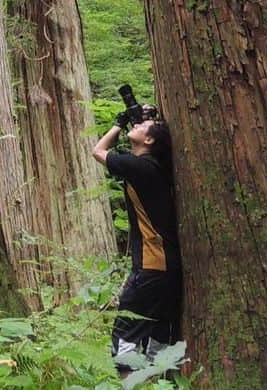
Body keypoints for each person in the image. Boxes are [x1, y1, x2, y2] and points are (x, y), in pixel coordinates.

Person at [93, 112, 182, 375]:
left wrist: (118, 123)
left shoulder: (140, 167)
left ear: (150, 140)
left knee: (125, 339)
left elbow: (98, 151)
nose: (137, 124)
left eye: (143, 125)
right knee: (159, 342)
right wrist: (147, 117)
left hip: (149, 268)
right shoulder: (154, 167)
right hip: (168, 270)